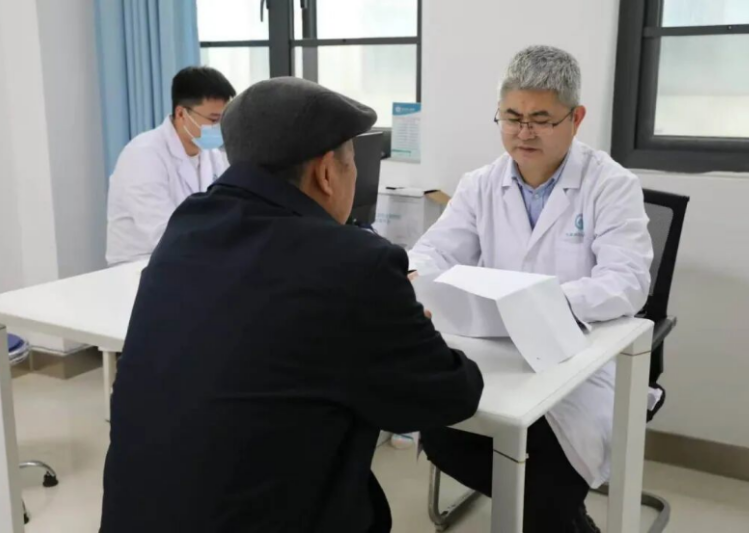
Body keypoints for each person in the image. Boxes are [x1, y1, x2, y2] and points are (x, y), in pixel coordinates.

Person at [99, 77, 484, 533]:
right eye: (351, 163)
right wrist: (411, 330)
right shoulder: (354, 263)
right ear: (326, 173)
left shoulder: (185, 232)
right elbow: (450, 395)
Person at [410, 45, 654, 532]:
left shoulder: (610, 185)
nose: (523, 133)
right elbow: (433, 251)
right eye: (512, 117)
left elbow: (627, 282)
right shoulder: (480, 184)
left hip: (579, 358)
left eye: (541, 119)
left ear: (575, 118)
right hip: (495, 354)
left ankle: (558, 515)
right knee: (441, 433)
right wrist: (418, 278)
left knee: (547, 488)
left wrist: (536, 304)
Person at [105, 66, 236, 265]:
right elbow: (162, 232)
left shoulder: (212, 156)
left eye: (224, 119)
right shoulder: (143, 155)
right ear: (181, 113)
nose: (220, 128)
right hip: (140, 265)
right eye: (213, 119)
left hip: (190, 259)